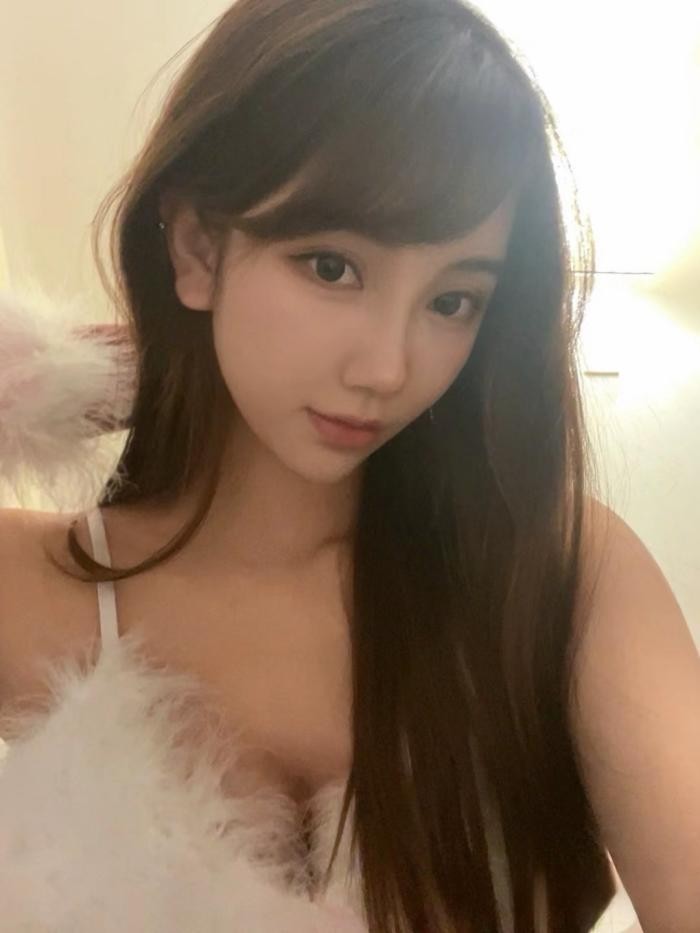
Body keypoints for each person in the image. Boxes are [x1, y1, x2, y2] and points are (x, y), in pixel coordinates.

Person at [0, 0, 698, 930]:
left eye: (452, 300)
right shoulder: (28, 586)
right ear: (198, 245)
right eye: (331, 267)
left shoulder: (556, 571)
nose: (389, 368)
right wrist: (78, 377)